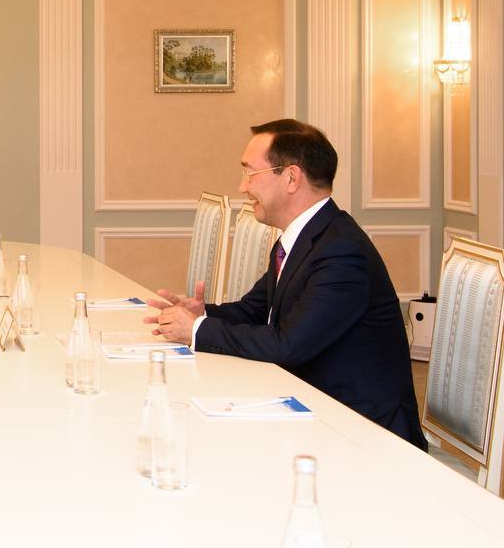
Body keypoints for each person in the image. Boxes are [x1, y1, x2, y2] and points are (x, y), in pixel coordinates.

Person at [145, 118, 427, 450]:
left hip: (364, 435)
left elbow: (289, 344)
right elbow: (253, 311)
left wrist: (197, 330)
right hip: (315, 409)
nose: (242, 186)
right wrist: (202, 313)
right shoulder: (305, 238)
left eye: (250, 173)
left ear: (291, 177)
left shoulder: (341, 251)